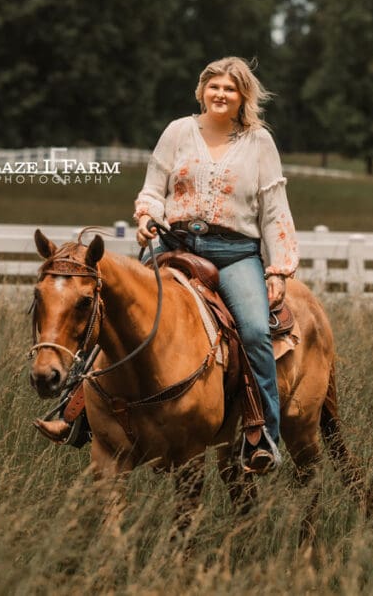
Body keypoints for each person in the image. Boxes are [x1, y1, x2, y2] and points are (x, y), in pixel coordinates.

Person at [134, 56, 298, 474]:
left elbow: (275, 209)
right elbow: (154, 188)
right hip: (175, 243)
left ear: (242, 95)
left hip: (233, 252)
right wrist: (146, 216)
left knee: (257, 332)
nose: (220, 94)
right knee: (120, 306)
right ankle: (79, 410)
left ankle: (262, 438)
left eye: (229, 89)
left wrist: (278, 269)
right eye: (214, 87)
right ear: (202, 90)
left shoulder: (258, 141)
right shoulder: (178, 131)